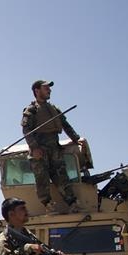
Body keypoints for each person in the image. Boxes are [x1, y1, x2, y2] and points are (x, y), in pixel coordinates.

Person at [21, 80, 83, 214]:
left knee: (61, 177)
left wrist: (75, 138)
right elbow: (26, 130)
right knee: (42, 178)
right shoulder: (31, 110)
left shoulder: (54, 109)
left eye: (49, 88)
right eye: (46, 88)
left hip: (54, 148)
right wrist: (34, 147)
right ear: (37, 91)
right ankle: (48, 205)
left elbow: (65, 125)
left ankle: (72, 203)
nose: (49, 90)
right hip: (39, 149)